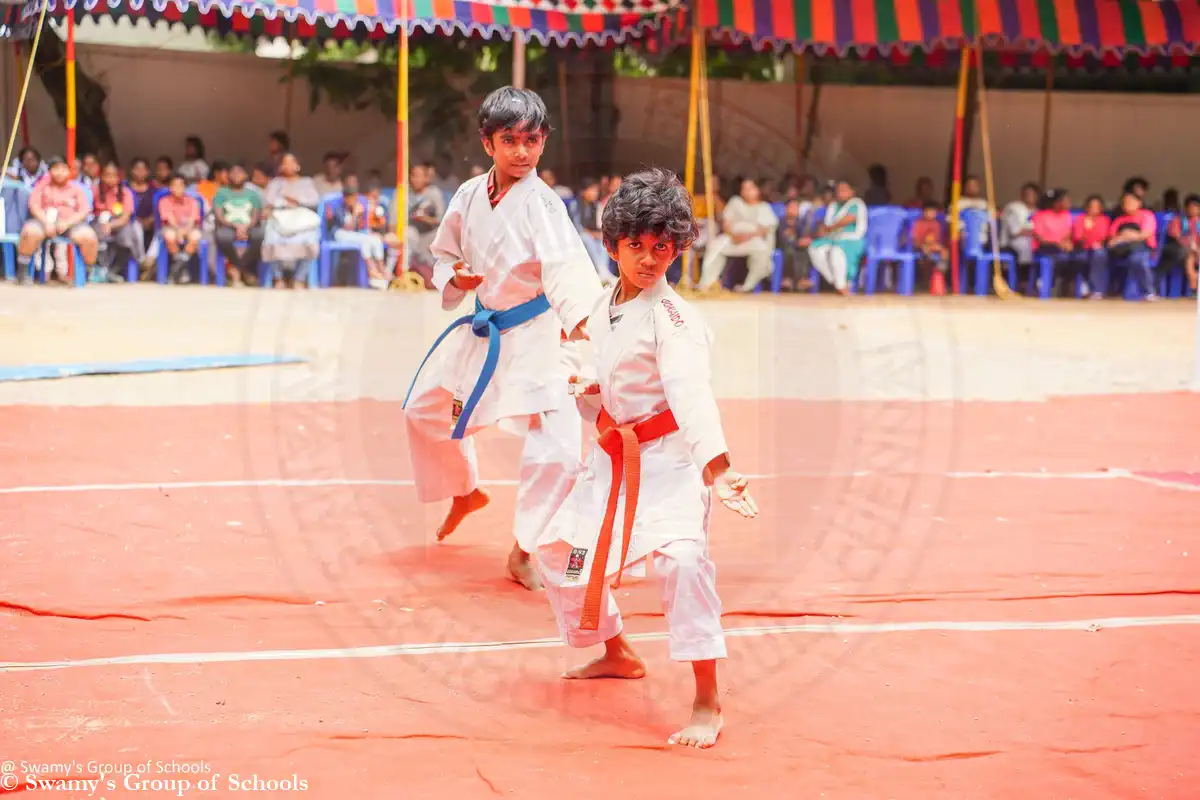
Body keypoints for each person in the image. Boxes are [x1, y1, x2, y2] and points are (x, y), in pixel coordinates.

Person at [535, 168, 757, 750]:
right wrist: (588, 394)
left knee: (681, 564)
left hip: (672, 464)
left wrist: (720, 467)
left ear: (679, 249)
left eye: (664, 247)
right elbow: (603, 373)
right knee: (558, 554)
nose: (650, 259)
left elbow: (690, 395)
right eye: (636, 246)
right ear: (611, 247)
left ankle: (707, 698)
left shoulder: (674, 320)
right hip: (613, 456)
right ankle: (617, 651)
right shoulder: (604, 300)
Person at [401, 86, 604, 590]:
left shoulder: (544, 204)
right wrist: (456, 277)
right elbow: (442, 254)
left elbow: (567, 272)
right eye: (509, 140)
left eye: (531, 140)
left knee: (557, 451)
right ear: (487, 142)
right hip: (484, 327)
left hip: (536, 335)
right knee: (422, 410)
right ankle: (465, 490)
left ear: (544, 142)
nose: (521, 151)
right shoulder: (470, 193)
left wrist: (584, 329)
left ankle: (525, 549)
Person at [808, 179, 867, 295]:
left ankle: (841, 285)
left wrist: (829, 228)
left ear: (852, 191)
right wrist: (822, 230)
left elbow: (848, 219)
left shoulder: (856, 203)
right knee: (815, 249)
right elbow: (825, 226)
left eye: (844, 190)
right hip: (833, 238)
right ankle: (837, 283)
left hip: (852, 239)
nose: (841, 192)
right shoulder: (833, 205)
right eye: (839, 190)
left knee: (836, 251)